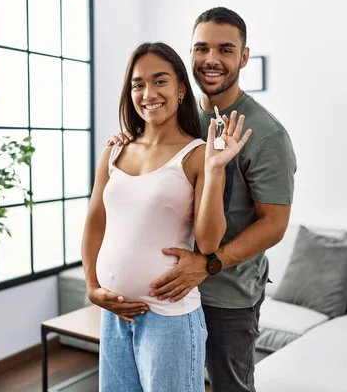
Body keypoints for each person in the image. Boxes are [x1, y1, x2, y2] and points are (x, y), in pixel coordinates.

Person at [107, 7, 297, 392]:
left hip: (227, 295)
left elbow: (274, 224)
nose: (211, 59)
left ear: (243, 57)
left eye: (225, 50)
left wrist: (207, 265)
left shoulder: (266, 134)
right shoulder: (179, 116)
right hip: (165, 296)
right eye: (201, 48)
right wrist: (129, 139)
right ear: (188, 56)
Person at [81, 41, 251, 392]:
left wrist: (217, 169)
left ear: (180, 89)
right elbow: (95, 221)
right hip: (116, 316)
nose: (148, 93)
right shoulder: (115, 150)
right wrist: (92, 287)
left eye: (160, 81)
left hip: (168, 319)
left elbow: (207, 242)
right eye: (138, 84)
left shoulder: (198, 154)